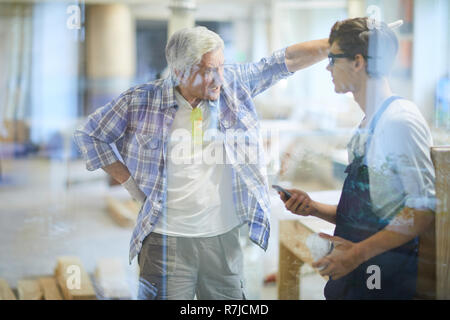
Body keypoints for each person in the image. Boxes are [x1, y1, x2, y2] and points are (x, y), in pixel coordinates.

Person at [74, 26, 329, 300]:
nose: (219, 77)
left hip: (223, 240)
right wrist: (130, 185)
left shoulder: (231, 84)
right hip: (165, 240)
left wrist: (337, 43)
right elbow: (90, 135)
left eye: (221, 66)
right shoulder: (141, 101)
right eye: (208, 70)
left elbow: (281, 62)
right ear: (180, 72)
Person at [278, 17, 436, 299]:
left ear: (358, 61)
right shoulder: (367, 124)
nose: (327, 67)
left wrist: (355, 256)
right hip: (357, 275)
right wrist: (313, 207)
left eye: (333, 58)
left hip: (385, 279)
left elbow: (421, 212)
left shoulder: (399, 120)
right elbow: (370, 214)